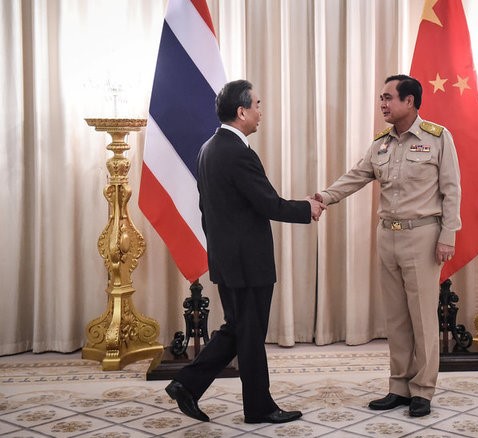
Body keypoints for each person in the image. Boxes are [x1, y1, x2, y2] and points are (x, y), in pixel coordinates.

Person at [166, 79, 326, 424]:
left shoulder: (208, 147)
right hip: (247, 262)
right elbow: (268, 203)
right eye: (257, 104)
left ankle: (187, 384)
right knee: (249, 335)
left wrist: (219, 252)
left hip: (227, 259)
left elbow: (206, 209)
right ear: (242, 111)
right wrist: (307, 208)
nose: (260, 112)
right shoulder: (238, 153)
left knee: (239, 329)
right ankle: (259, 407)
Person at [314, 74, 461, 417]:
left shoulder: (438, 138)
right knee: (395, 318)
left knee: (423, 317)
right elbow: (356, 176)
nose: (382, 104)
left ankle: (422, 389)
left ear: (409, 101)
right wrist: (323, 197)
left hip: (423, 236)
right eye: (381, 98)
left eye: (388, 97)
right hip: (388, 236)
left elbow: (452, 190)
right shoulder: (381, 143)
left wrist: (448, 235)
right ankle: (399, 386)